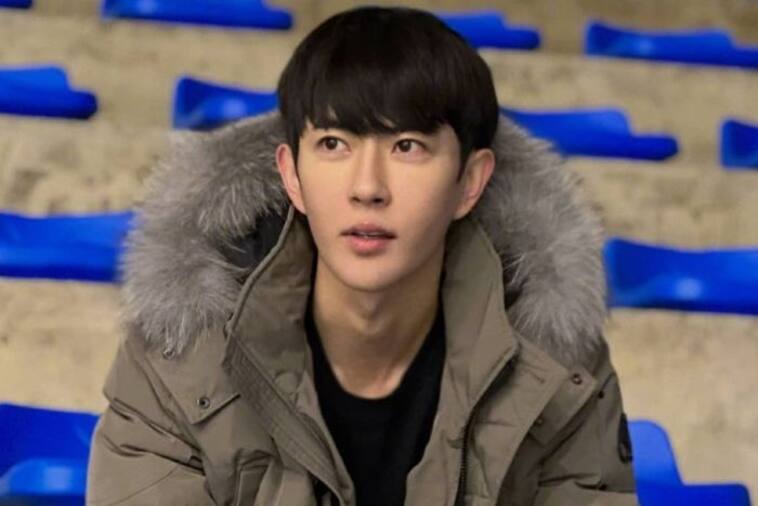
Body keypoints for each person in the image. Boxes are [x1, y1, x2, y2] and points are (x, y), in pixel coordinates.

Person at [86, 6, 638, 506]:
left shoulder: (559, 369)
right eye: (334, 144)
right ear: (292, 177)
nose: (367, 187)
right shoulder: (177, 362)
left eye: (407, 147)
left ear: (470, 183)